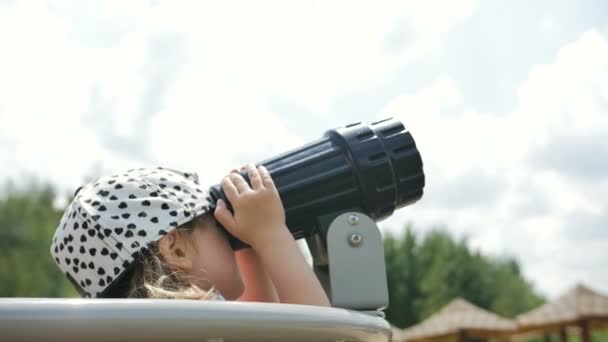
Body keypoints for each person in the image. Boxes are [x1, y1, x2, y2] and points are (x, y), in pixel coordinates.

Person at [49, 164, 330, 306]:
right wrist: (270, 236)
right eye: (218, 226)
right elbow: (314, 333)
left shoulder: (147, 331)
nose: (232, 240)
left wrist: (251, 247)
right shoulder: (199, 322)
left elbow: (263, 324)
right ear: (176, 248)